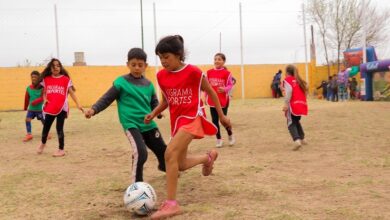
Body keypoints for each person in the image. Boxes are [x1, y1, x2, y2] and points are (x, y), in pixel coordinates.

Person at [144, 35, 231, 219]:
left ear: (178, 54)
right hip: (177, 122)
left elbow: (211, 92)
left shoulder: (194, 72)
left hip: (193, 118)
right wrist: (153, 113)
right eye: (160, 57)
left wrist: (222, 116)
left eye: (166, 57)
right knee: (180, 164)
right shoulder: (161, 76)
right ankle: (207, 158)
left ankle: (172, 204)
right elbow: (166, 100)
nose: (163, 61)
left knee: (169, 154)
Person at [84, 48, 167, 183]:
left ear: (145, 66)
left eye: (140, 65)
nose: (136, 68)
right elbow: (106, 99)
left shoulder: (149, 85)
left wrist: (158, 112)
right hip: (131, 124)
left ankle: (164, 166)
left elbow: (154, 102)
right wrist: (93, 110)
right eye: (133, 64)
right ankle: (136, 184)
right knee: (141, 153)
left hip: (148, 123)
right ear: (127, 64)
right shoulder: (121, 82)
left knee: (163, 150)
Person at [37, 58, 83, 157]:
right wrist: (45, 99)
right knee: (46, 127)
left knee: (59, 128)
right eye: (53, 66)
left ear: (60, 67)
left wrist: (78, 104)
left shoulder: (66, 80)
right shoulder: (47, 79)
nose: (56, 67)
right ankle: (43, 143)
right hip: (50, 107)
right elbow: (44, 93)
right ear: (50, 68)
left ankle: (61, 149)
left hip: (62, 107)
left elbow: (72, 93)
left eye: (58, 65)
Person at [206, 53, 235, 147]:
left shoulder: (227, 73)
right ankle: (218, 139)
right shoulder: (209, 72)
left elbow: (231, 85)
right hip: (212, 101)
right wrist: (205, 96)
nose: (217, 61)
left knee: (223, 120)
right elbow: (206, 86)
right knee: (214, 121)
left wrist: (225, 89)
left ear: (223, 61)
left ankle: (230, 134)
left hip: (223, 101)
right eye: (215, 59)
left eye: (219, 59)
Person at [282, 65, 308, 151]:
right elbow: (305, 90)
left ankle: (297, 140)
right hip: (301, 104)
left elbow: (288, 92)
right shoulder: (299, 80)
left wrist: (286, 104)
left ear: (287, 72)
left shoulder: (287, 80)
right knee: (296, 121)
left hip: (293, 105)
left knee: (290, 123)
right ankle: (303, 139)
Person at [23, 71, 45, 142]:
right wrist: (25, 107)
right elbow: (26, 98)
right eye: (32, 77)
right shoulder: (28, 88)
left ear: (39, 78)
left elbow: (43, 97)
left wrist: (36, 101)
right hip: (31, 109)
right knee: (27, 120)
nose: (33, 78)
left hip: (39, 109)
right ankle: (29, 134)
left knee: (43, 121)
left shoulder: (42, 88)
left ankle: (46, 133)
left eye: (35, 77)